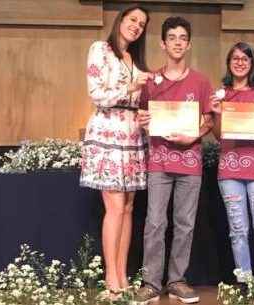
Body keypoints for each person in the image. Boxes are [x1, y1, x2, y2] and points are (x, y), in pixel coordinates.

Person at [134, 16, 214, 304]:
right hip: (159, 161)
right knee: (154, 223)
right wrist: (143, 122)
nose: (178, 42)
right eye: (172, 38)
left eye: (183, 38)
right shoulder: (151, 81)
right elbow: (143, 118)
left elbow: (208, 121)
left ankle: (177, 280)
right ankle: (151, 283)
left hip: (190, 161)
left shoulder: (201, 81)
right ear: (163, 43)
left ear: (189, 44)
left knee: (185, 224)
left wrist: (194, 134)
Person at [79, 4, 151, 299]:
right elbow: (96, 93)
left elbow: (137, 97)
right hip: (108, 132)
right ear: (120, 19)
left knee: (129, 207)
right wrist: (132, 86)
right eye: (132, 19)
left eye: (142, 23)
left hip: (133, 136)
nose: (136, 26)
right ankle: (111, 278)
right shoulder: (100, 48)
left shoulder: (134, 58)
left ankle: (122, 274)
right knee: (115, 207)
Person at [210, 42, 254, 284]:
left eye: (245, 58)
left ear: (252, 64)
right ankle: (244, 281)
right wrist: (217, 113)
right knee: (238, 230)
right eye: (235, 58)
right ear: (229, 63)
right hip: (230, 170)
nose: (240, 62)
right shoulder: (221, 95)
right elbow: (218, 135)